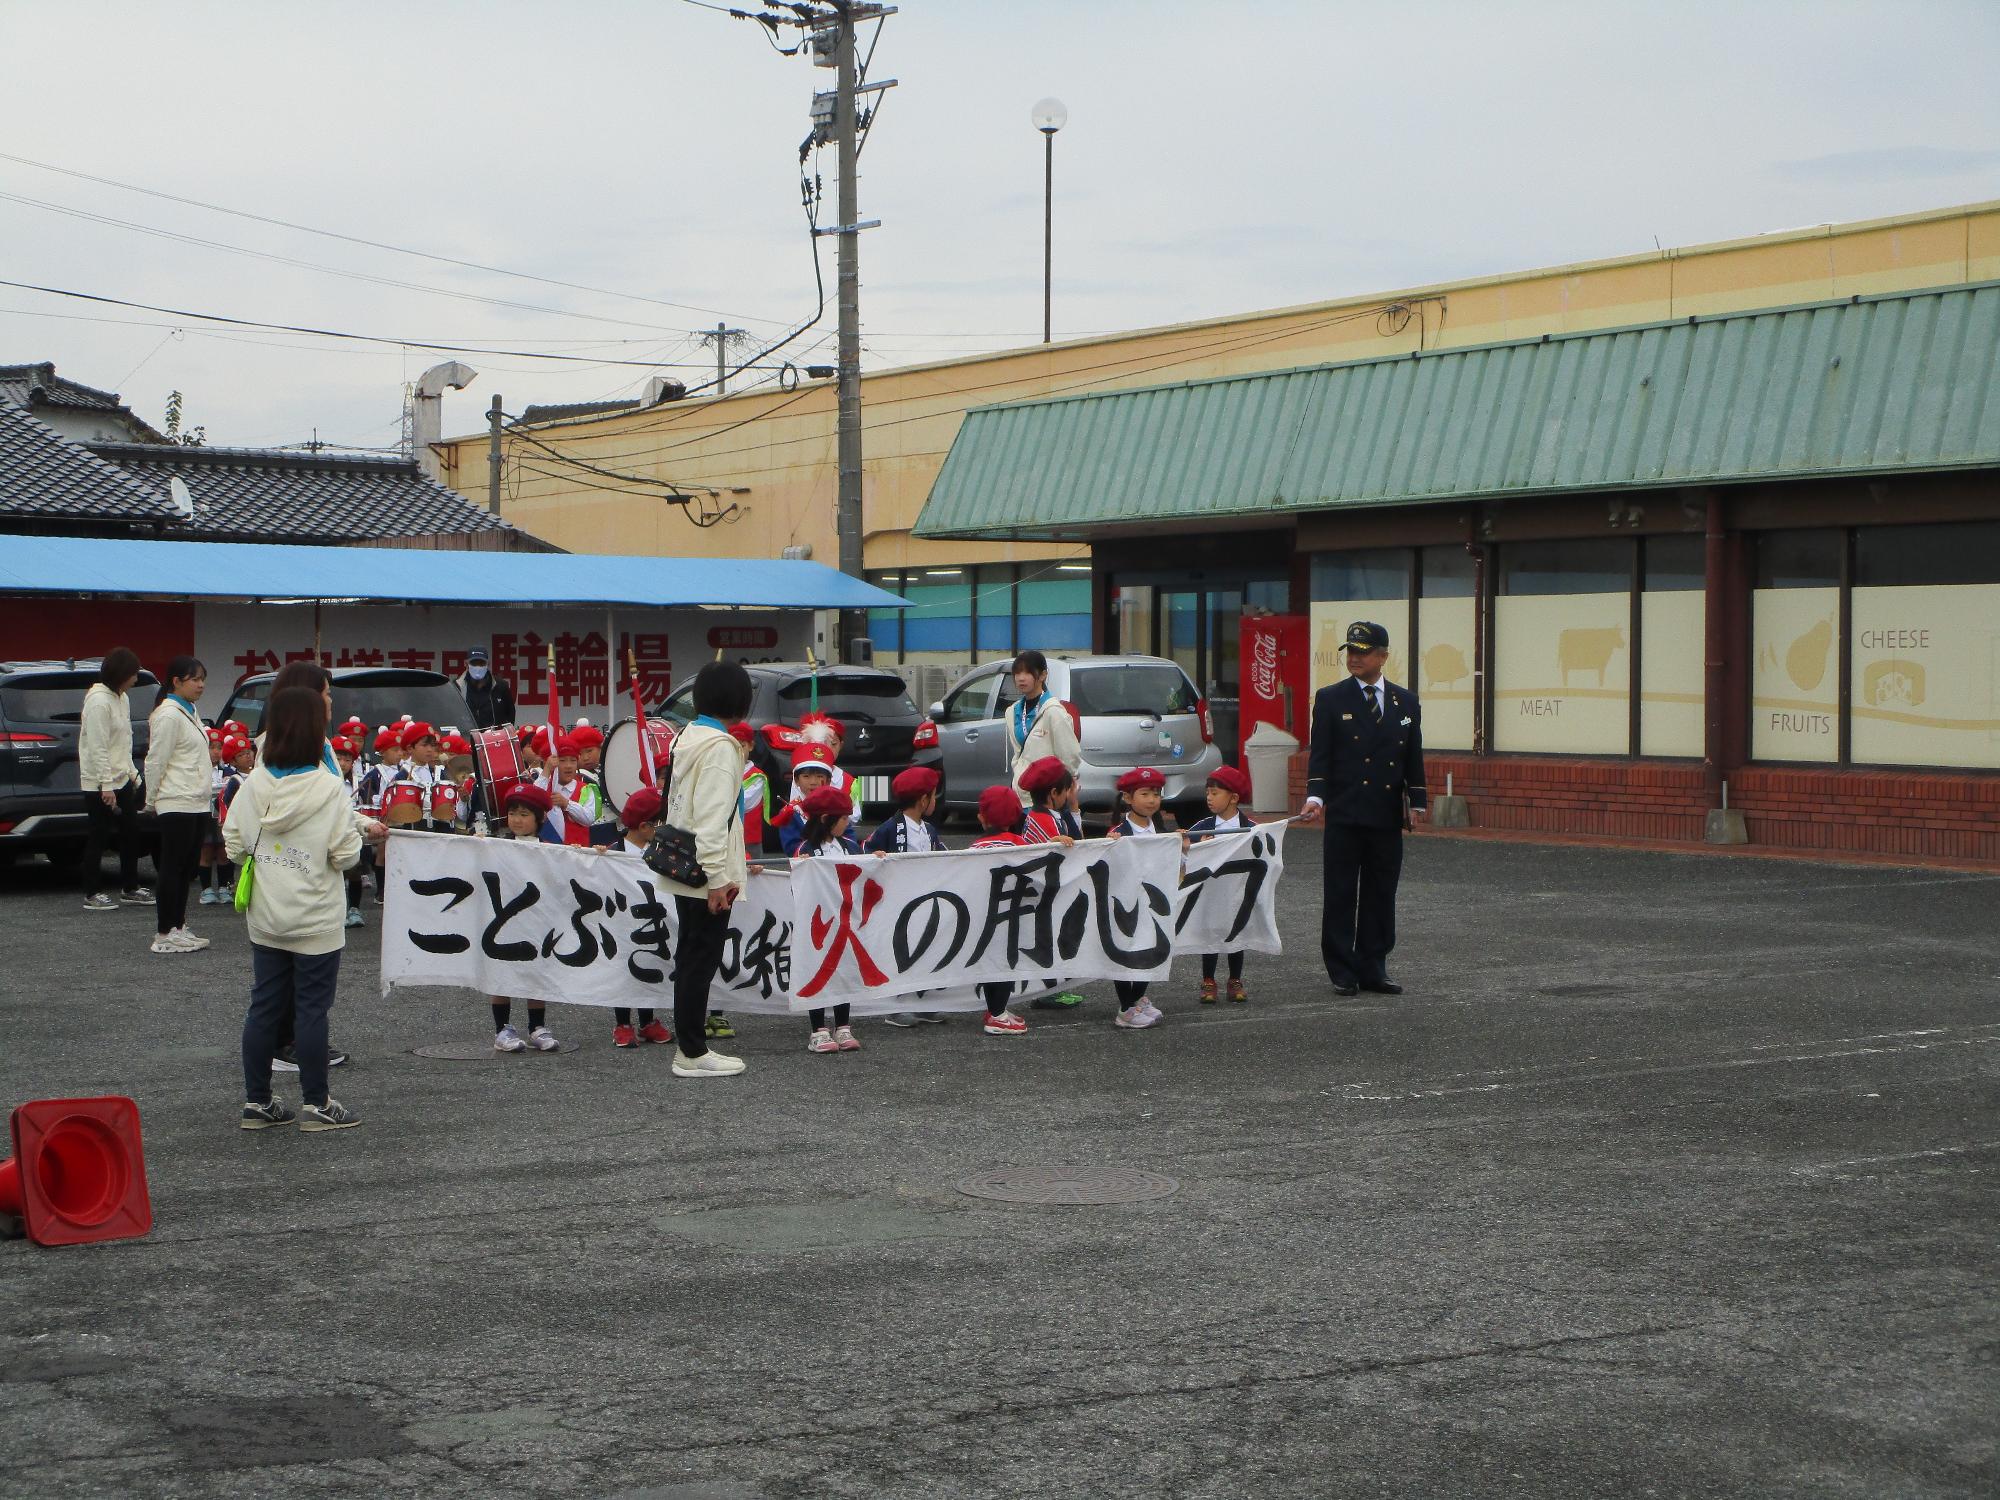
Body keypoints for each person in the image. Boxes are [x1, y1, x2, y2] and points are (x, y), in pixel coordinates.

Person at [227, 685, 364, 1133]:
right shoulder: (328, 787)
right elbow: (345, 856)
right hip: (317, 919)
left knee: (264, 1007)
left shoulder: (254, 784)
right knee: (311, 1010)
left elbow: (233, 844)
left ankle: (257, 1102)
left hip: (266, 915)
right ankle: (317, 1103)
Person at [1298, 620, 1426, 997]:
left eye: (1363, 651)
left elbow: (1412, 755)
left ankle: (1374, 965)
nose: (1355, 658)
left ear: (1383, 657)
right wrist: (1315, 797)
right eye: (1351, 651)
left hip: (1384, 812)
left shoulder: (1407, 701)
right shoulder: (1331, 697)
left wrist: (1417, 800)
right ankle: (1342, 968)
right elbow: (1320, 755)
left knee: (1381, 892)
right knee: (1340, 892)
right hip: (1345, 809)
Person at [656, 661, 753, 1078]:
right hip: (706, 873)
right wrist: (718, 879)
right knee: (700, 959)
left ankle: (691, 1046)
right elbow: (712, 819)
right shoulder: (720, 748)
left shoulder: (689, 736)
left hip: (683, 866)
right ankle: (692, 1052)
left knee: (691, 955)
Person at [481, 783, 564, 1053]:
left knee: (536, 974)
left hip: (538, 920)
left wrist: (586, 855)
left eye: (525, 814)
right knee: (501, 973)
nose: (517, 819)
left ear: (540, 819)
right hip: (503, 920)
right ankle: (502, 1029)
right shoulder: (496, 846)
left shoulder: (550, 848)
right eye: (513, 813)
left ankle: (537, 1027)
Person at [865, 766, 949, 1031]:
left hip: (924, 899)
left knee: (925, 947)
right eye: (933, 796)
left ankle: (922, 1001)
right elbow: (867, 853)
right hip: (897, 902)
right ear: (923, 800)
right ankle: (895, 1005)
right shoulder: (890, 829)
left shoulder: (928, 829)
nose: (935, 801)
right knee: (899, 951)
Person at [143, 655, 215, 955]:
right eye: (194, 679)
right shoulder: (168, 715)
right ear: (176, 681)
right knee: (172, 866)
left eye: (202, 679)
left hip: (196, 800)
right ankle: (163, 932)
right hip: (177, 800)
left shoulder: (190, 711)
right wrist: (152, 798)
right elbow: (156, 759)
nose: (200, 685)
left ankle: (178, 925)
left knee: (187, 868)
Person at [78, 646, 152, 913]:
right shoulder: (98, 701)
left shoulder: (122, 697)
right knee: (99, 836)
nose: (135, 679)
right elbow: (97, 746)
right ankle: (92, 892)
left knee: (131, 833)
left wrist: (133, 774)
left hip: (122, 778)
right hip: (99, 782)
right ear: (121, 674)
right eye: (133, 674)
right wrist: (105, 785)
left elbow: (124, 740)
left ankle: (130, 887)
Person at [793, 784, 863, 1054]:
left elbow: (863, 871)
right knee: (817, 972)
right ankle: (818, 1029)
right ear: (826, 819)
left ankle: (843, 1025)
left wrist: (877, 860)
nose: (847, 823)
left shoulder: (850, 846)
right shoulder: (805, 849)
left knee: (844, 970)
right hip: (817, 921)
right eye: (844, 818)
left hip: (845, 919)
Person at [606, 787, 674, 1049]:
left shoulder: (661, 851)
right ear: (645, 826)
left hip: (654, 921)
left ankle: (648, 1021)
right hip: (622, 922)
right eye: (661, 823)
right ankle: (622, 1023)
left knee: (651, 966)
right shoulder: (613, 852)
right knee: (622, 971)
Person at [1105, 767, 1171, 1030]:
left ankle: (1137, 998)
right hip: (1126, 904)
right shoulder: (1119, 832)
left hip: (1152, 905)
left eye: (1156, 794)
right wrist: (1109, 845)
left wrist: (1183, 847)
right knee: (1125, 954)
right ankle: (1125, 1008)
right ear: (1128, 798)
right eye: (1145, 794)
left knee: (1152, 951)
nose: (1152, 800)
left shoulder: (1163, 831)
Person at [1185, 765, 1256, 1004]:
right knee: (1211, 932)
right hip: (1211, 893)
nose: (1209, 798)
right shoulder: (1202, 827)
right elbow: (1184, 855)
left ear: (1234, 798)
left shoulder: (1251, 828)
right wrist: (1196, 847)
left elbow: (1264, 854)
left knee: (1236, 930)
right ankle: (1208, 979)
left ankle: (1235, 978)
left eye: (1215, 793)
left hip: (1238, 892)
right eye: (1207, 793)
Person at [967, 785, 1032, 1037]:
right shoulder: (1021, 845)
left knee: (990, 964)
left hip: (982, 916)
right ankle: (997, 1014)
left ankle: (997, 1010)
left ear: (982, 817)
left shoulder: (975, 849)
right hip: (1012, 916)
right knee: (1004, 965)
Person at [1006, 649, 1082, 806]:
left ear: (1042, 675)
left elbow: (1069, 754)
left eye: (1028, 672)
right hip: (1022, 794)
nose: (1021, 678)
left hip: (1049, 797)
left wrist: (1062, 790)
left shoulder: (1054, 711)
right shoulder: (1012, 712)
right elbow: (1018, 754)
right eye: (1017, 673)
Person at [773, 742, 836, 855]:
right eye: (806, 776)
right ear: (796, 780)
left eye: (819, 776)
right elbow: (791, 847)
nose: (813, 782)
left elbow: (849, 837)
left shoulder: (836, 808)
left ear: (828, 780)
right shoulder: (790, 811)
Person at [197, 727, 230, 905]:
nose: (216, 752)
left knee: (223, 851)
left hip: (222, 818)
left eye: (219, 747)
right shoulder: (197, 770)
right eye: (212, 747)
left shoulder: (228, 771)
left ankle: (225, 887)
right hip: (204, 814)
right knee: (206, 850)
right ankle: (206, 889)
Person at [457, 646, 516, 730]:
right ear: (466, 664)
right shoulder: (457, 687)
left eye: (481, 663)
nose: (478, 667)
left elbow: (510, 714)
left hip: (495, 739)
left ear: (488, 664)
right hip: (467, 740)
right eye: (474, 663)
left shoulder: (501, 686)